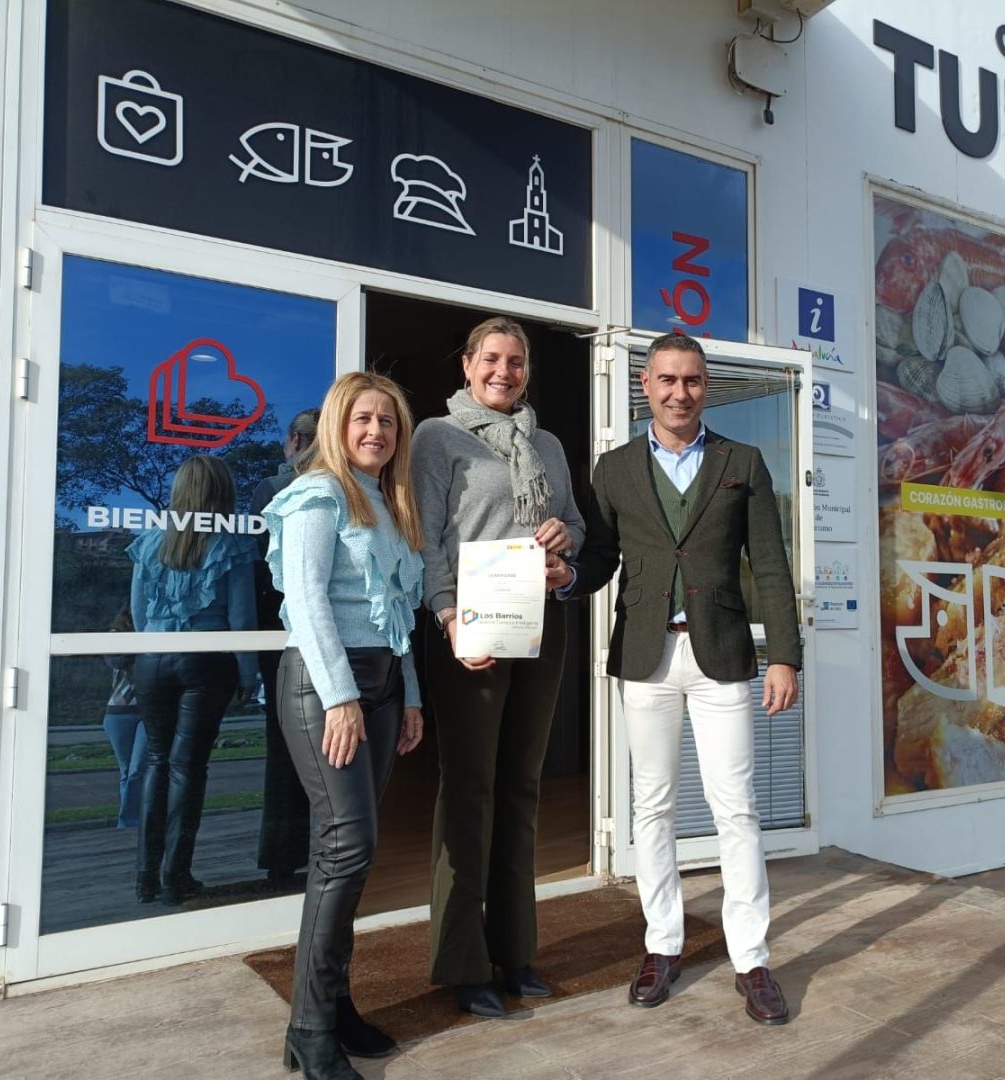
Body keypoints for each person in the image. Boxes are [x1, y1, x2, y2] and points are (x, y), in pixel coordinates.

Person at [556, 332, 801, 1026]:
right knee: (653, 806)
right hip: (648, 656)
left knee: (736, 808)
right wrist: (567, 575)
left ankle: (751, 958)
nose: (679, 393)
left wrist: (785, 655)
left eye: (691, 380)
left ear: (705, 385)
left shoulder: (741, 462)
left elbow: (770, 563)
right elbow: (602, 557)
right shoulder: (614, 469)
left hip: (720, 652)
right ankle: (662, 946)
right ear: (646, 384)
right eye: (667, 380)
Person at [411, 316, 583, 1018]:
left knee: (521, 787)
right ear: (467, 364)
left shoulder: (548, 444)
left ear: (527, 371)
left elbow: (574, 526)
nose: (503, 372)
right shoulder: (436, 436)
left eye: (515, 362)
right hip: (470, 629)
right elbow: (426, 539)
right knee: (469, 790)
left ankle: (516, 951)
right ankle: (462, 961)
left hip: (540, 624)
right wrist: (449, 617)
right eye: (491, 359)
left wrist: (564, 548)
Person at [264, 371, 426, 1080]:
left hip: (382, 686)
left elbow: (396, 612)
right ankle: (309, 1028)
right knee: (347, 846)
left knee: (344, 853)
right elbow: (306, 601)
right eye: (363, 418)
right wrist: (340, 697)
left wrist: (409, 695)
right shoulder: (318, 494)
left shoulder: (389, 503)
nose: (376, 431)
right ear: (338, 423)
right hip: (328, 686)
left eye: (387, 421)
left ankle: (330, 1004)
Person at [127, 455, 259, 906]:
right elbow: (242, 619)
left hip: (151, 660)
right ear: (222, 494)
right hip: (205, 662)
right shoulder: (230, 544)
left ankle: (145, 877)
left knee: (156, 762)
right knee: (187, 768)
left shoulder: (149, 541)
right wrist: (248, 672)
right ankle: (175, 876)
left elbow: (139, 614)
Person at [252, 408, 321, 886]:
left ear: (294, 441)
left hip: (278, 634)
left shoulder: (272, 488)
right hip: (291, 633)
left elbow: (260, 566)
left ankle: (282, 858)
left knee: (285, 746)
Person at [101, 601, 146, 830]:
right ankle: (130, 822)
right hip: (119, 712)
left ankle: (130, 820)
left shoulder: (156, 631)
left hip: (148, 710)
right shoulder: (115, 634)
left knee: (138, 768)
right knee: (127, 770)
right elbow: (116, 660)